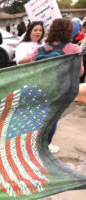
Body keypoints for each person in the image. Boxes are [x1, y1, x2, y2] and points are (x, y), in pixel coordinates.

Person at [29, 18, 84, 153]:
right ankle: (46, 145)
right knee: (53, 118)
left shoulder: (40, 49)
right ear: (69, 32)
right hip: (59, 89)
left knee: (40, 117)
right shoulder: (74, 49)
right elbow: (80, 71)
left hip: (40, 88)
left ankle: (34, 144)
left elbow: (31, 68)